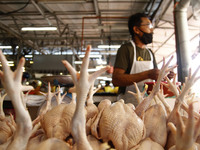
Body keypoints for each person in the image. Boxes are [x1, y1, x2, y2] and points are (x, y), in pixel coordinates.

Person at [112, 13, 160, 106]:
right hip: (128, 104)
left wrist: (164, 75)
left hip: (148, 102)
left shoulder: (150, 52)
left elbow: (156, 77)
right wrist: (147, 74)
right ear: (136, 30)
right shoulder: (126, 49)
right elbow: (116, 79)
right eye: (148, 25)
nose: (152, 30)